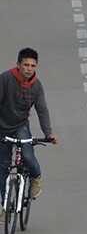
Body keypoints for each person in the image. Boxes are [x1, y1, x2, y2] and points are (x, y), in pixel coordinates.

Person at [0, 48, 58, 199]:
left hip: (20, 126)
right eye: (26, 65)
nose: (29, 69)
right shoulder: (5, 79)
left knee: (28, 156)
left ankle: (36, 177)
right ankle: (5, 205)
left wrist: (48, 133)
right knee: (3, 166)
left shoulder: (36, 86)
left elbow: (42, 110)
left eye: (33, 66)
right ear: (18, 64)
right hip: (2, 129)